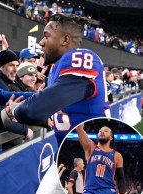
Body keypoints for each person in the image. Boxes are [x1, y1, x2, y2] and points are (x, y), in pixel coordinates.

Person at [8, 14, 110, 145]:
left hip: (91, 151)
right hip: (72, 150)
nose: (41, 42)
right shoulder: (57, 66)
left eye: (46, 35)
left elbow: (34, 110)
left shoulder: (80, 58)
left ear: (65, 39)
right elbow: (42, 97)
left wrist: (16, 110)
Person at [76, 123, 125, 194]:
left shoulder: (117, 155)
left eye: (106, 131)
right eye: (100, 131)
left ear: (111, 137)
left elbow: (121, 177)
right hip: (91, 192)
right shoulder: (90, 147)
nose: (102, 132)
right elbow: (79, 129)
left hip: (110, 192)